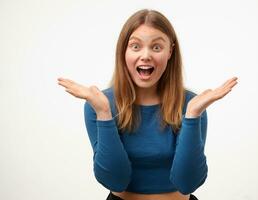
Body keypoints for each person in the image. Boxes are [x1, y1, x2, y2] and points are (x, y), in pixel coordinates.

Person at [58, 9, 238, 200]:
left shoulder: (192, 104)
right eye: (135, 46)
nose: (145, 55)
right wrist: (103, 113)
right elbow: (114, 180)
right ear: (123, 51)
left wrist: (193, 115)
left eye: (156, 47)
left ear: (170, 51)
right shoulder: (100, 104)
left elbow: (188, 183)